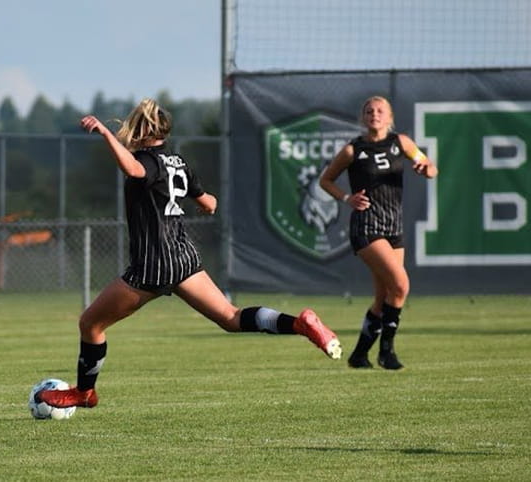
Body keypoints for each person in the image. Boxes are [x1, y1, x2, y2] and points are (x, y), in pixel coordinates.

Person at [38, 99, 342, 410]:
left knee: (91, 324)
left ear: (142, 131)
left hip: (152, 265)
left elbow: (133, 169)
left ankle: (84, 393)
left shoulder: (147, 161)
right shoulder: (177, 161)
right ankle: (300, 324)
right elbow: (210, 204)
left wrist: (104, 133)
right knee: (231, 317)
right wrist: (199, 200)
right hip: (183, 259)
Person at [319, 95, 437, 370]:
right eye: (369, 111)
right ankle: (387, 352)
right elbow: (325, 180)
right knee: (401, 285)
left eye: (380, 110)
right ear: (363, 117)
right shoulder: (353, 150)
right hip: (367, 227)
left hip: (393, 227)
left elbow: (430, 167)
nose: (374, 114)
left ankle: (359, 355)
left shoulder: (401, 143)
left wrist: (426, 168)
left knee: (384, 298)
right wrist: (347, 199)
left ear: (389, 117)